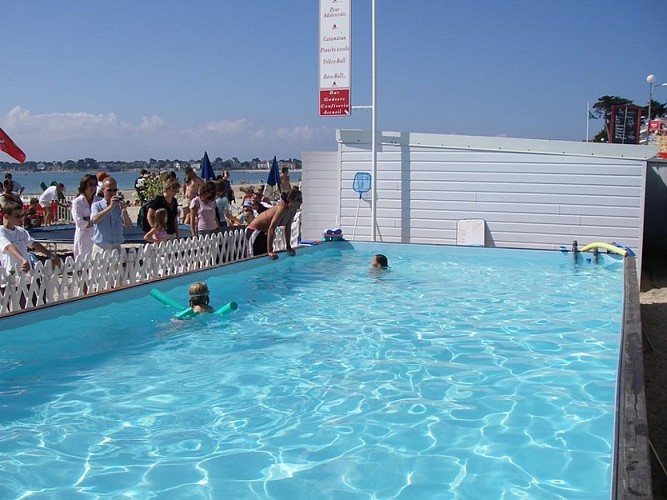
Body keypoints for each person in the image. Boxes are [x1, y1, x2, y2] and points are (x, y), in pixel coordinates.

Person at [0, 202, 60, 272]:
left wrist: (51, 256)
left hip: (26, 273)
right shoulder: (1, 231)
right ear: (6, 217)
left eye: (22, 215)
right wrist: (23, 259)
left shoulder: (21, 231)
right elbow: (9, 247)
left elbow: (34, 243)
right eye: (17, 216)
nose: (21, 218)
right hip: (10, 273)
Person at [245, 186, 302, 259]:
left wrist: (288, 247)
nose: (301, 202)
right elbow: (271, 229)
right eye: (299, 200)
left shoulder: (292, 211)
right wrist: (270, 251)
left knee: (264, 259)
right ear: (290, 200)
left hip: (263, 233)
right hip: (254, 231)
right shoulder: (282, 208)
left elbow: (287, 228)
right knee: (256, 258)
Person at [90, 177, 132, 255]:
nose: (112, 193)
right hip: (101, 247)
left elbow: (129, 225)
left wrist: (124, 211)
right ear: (103, 190)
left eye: (115, 190)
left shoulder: (119, 206)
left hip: (116, 246)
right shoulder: (97, 205)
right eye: (109, 190)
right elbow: (94, 220)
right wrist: (110, 207)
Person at [71, 174, 101, 260]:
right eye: (90, 184)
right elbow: (80, 222)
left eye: (95, 184)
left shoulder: (99, 201)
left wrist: (88, 220)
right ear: (84, 185)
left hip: (97, 236)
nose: (93, 187)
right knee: (82, 262)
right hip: (83, 237)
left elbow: (103, 218)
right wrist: (95, 220)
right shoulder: (77, 202)